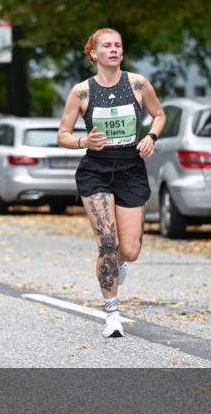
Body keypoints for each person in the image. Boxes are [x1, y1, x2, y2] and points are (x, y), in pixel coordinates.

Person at [57, 28, 165, 338]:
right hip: (96, 170)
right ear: (94, 54)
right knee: (107, 241)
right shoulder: (81, 92)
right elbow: (62, 135)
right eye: (107, 46)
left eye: (118, 45)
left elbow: (159, 115)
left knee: (128, 251)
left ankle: (118, 265)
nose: (114, 50)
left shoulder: (138, 84)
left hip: (130, 168)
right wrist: (83, 142)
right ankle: (112, 314)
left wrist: (151, 136)